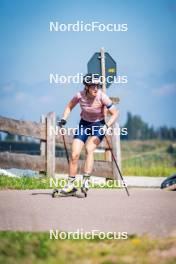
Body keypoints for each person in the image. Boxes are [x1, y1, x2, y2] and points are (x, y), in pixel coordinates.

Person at [59, 73, 118, 195]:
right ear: (86, 87)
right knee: (74, 154)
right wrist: (64, 118)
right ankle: (70, 185)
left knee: (89, 149)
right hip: (84, 124)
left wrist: (106, 126)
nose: (96, 88)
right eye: (93, 86)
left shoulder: (102, 96)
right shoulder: (79, 96)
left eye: (97, 85)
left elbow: (115, 113)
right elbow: (69, 106)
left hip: (99, 125)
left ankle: (86, 180)